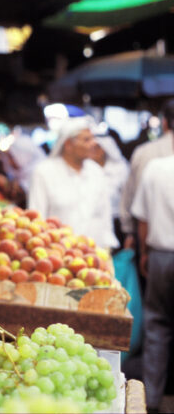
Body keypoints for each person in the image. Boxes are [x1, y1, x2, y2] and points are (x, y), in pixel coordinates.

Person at [27, 118, 118, 250]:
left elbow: (105, 215)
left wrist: (107, 247)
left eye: (93, 138)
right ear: (68, 144)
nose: (94, 143)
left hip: (95, 255)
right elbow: (37, 218)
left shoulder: (96, 171)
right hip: (59, 257)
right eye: (87, 140)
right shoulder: (44, 172)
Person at [130, 153, 174, 414]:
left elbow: (142, 219)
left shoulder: (156, 167)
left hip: (160, 257)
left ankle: (152, 400)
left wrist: (145, 253)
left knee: (157, 326)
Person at [119, 99, 174, 253]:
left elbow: (130, 199)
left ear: (164, 123)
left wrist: (129, 233)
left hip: (151, 244)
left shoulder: (144, 153)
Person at [91, 134, 129, 249]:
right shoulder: (87, 170)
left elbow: (127, 199)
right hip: (93, 223)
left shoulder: (120, 168)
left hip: (117, 221)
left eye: (97, 147)